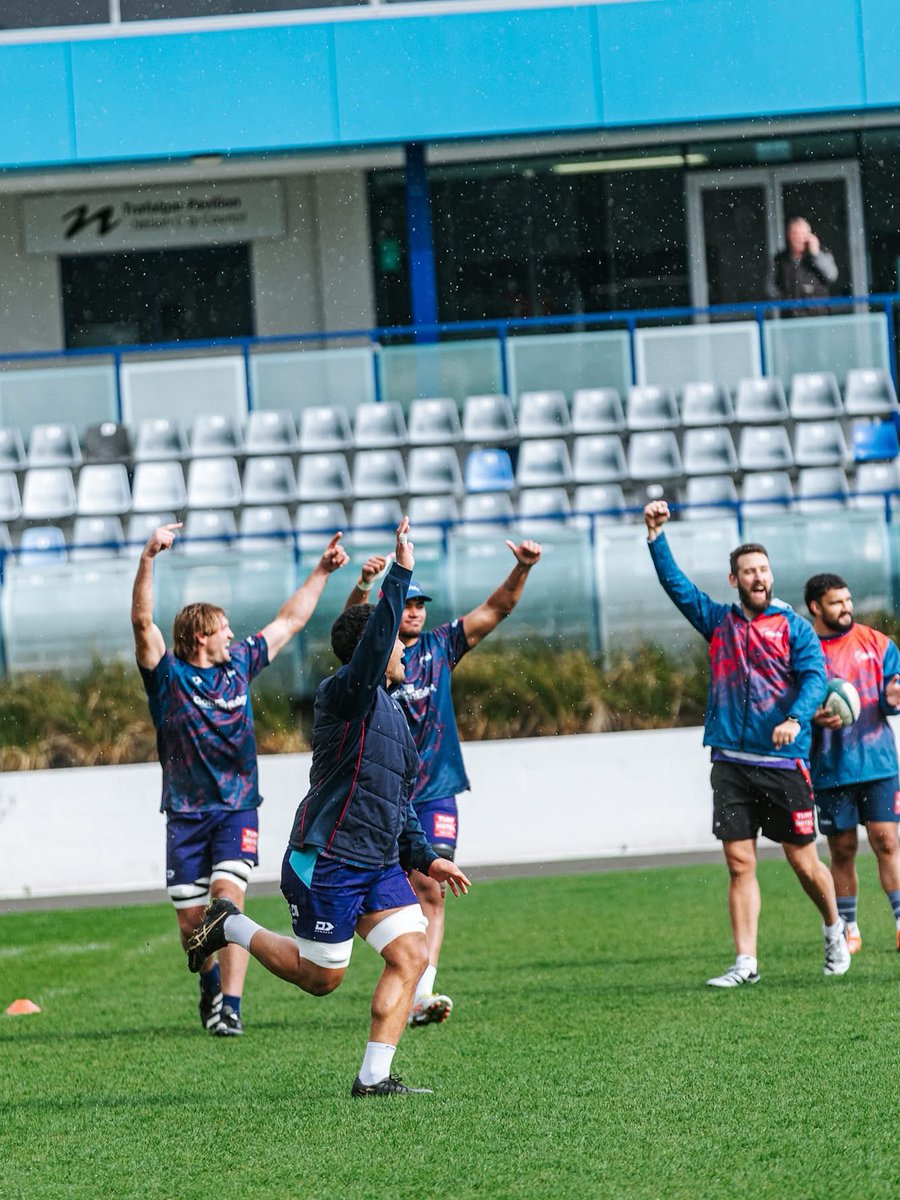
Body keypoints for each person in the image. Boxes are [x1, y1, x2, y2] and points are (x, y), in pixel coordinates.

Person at [185, 518, 471, 1097]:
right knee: (323, 979)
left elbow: (399, 805)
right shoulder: (344, 693)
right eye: (393, 643)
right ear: (374, 648)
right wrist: (401, 570)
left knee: (412, 954)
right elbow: (373, 649)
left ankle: (375, 1078)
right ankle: (230, 922)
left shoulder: (394, 717)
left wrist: (426, 858)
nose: (402, 651)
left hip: (379, 862)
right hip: (330, 861)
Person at [131, 521, 349, 1036]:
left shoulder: (239, 665)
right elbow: (143, 623)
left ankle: (230, 1006)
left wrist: (320, 570)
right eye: (224, 628)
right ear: (202, 636)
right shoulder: (168, 678)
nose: (234, 634)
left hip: (236, 807)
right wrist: (148, 558)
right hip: (184, 814)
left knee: (226, 904)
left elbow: (290, 621)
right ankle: (209, 987)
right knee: (192, 926)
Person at [644, 500, 851, 985]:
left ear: (771, 576)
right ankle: (746, 962)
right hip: (730, 762)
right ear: (734, 580)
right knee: (739, 862)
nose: (758, 577)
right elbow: (677, 586)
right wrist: (656, 537)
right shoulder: (720, 623)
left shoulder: (795, 628)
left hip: (782, 761)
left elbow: (815, 677)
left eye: (763, 569)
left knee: (802, 860)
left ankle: (832, 926)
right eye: (748, 571)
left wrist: (796, 720)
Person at [344, 535, 543, 1026]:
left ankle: (421, 991)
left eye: (419, 604)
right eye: (407, 603)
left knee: (430, 884)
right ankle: (397, 971)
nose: (413, 611)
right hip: (383, 795)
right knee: (388, 886)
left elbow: (497, 609)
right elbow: (349, 632)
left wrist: (521, 569)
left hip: (436, 790)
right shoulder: (372, 664)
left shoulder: (440, 646)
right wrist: (364, 586)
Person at [804, 573, 900, 953]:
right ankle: (850, 928)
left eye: (848, 600)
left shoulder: (876, 642)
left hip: (878, 763)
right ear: (816, 607)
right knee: (842, 848)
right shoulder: (804, 649)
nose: (846, 607)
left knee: (886, 840)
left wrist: (894, 697)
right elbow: (791, 700)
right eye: (836, 602)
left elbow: (893, 694)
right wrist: (811, 714)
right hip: (830, 765)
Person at [766, 216, 838, 316]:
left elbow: (832, 276)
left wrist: (816, 254)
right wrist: (785, 300)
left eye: (803, 234)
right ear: (788, 235)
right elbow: (770, 288)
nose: (799, 238)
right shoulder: (780, 259)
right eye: (794, 234)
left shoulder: (822, 253)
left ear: (810, 236)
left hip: (819, 318)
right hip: (790, 320)